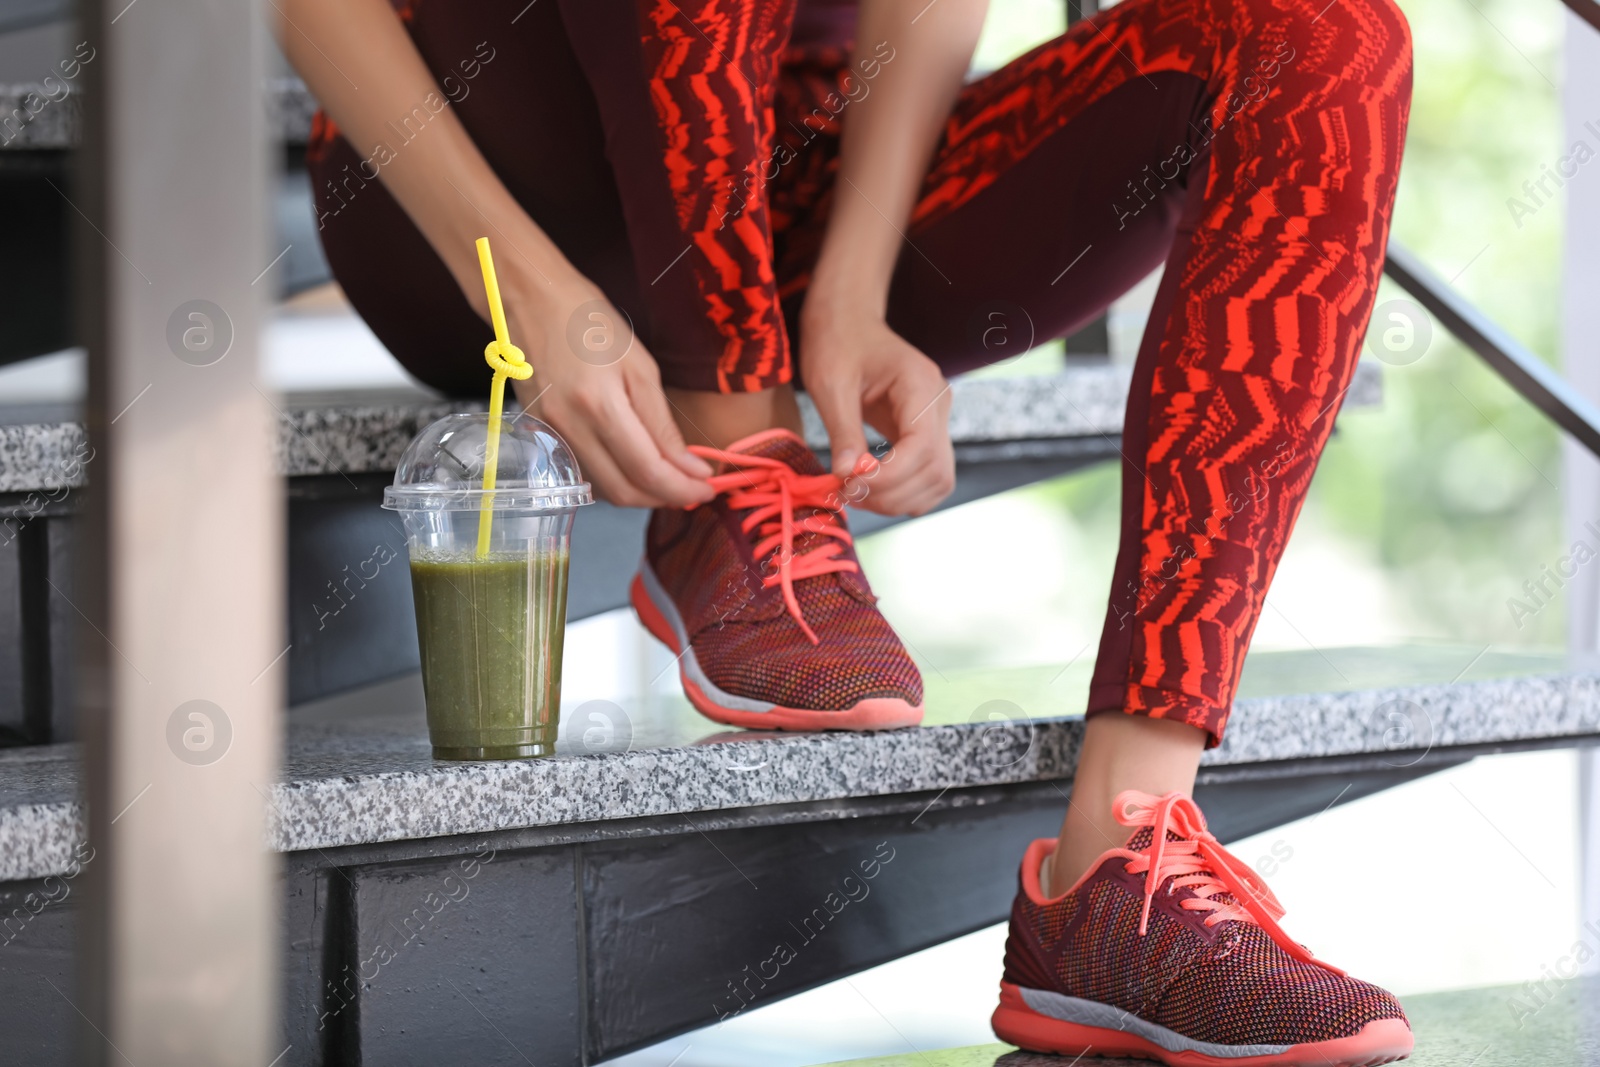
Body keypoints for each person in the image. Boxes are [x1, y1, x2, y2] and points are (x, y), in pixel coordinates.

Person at [279, 0, 1415, 1061]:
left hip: (814, 169)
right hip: (492, 185)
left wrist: (854, 293)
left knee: (1322, 39)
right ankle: (736, 468)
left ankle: (1121, 855)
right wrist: (526, 288)